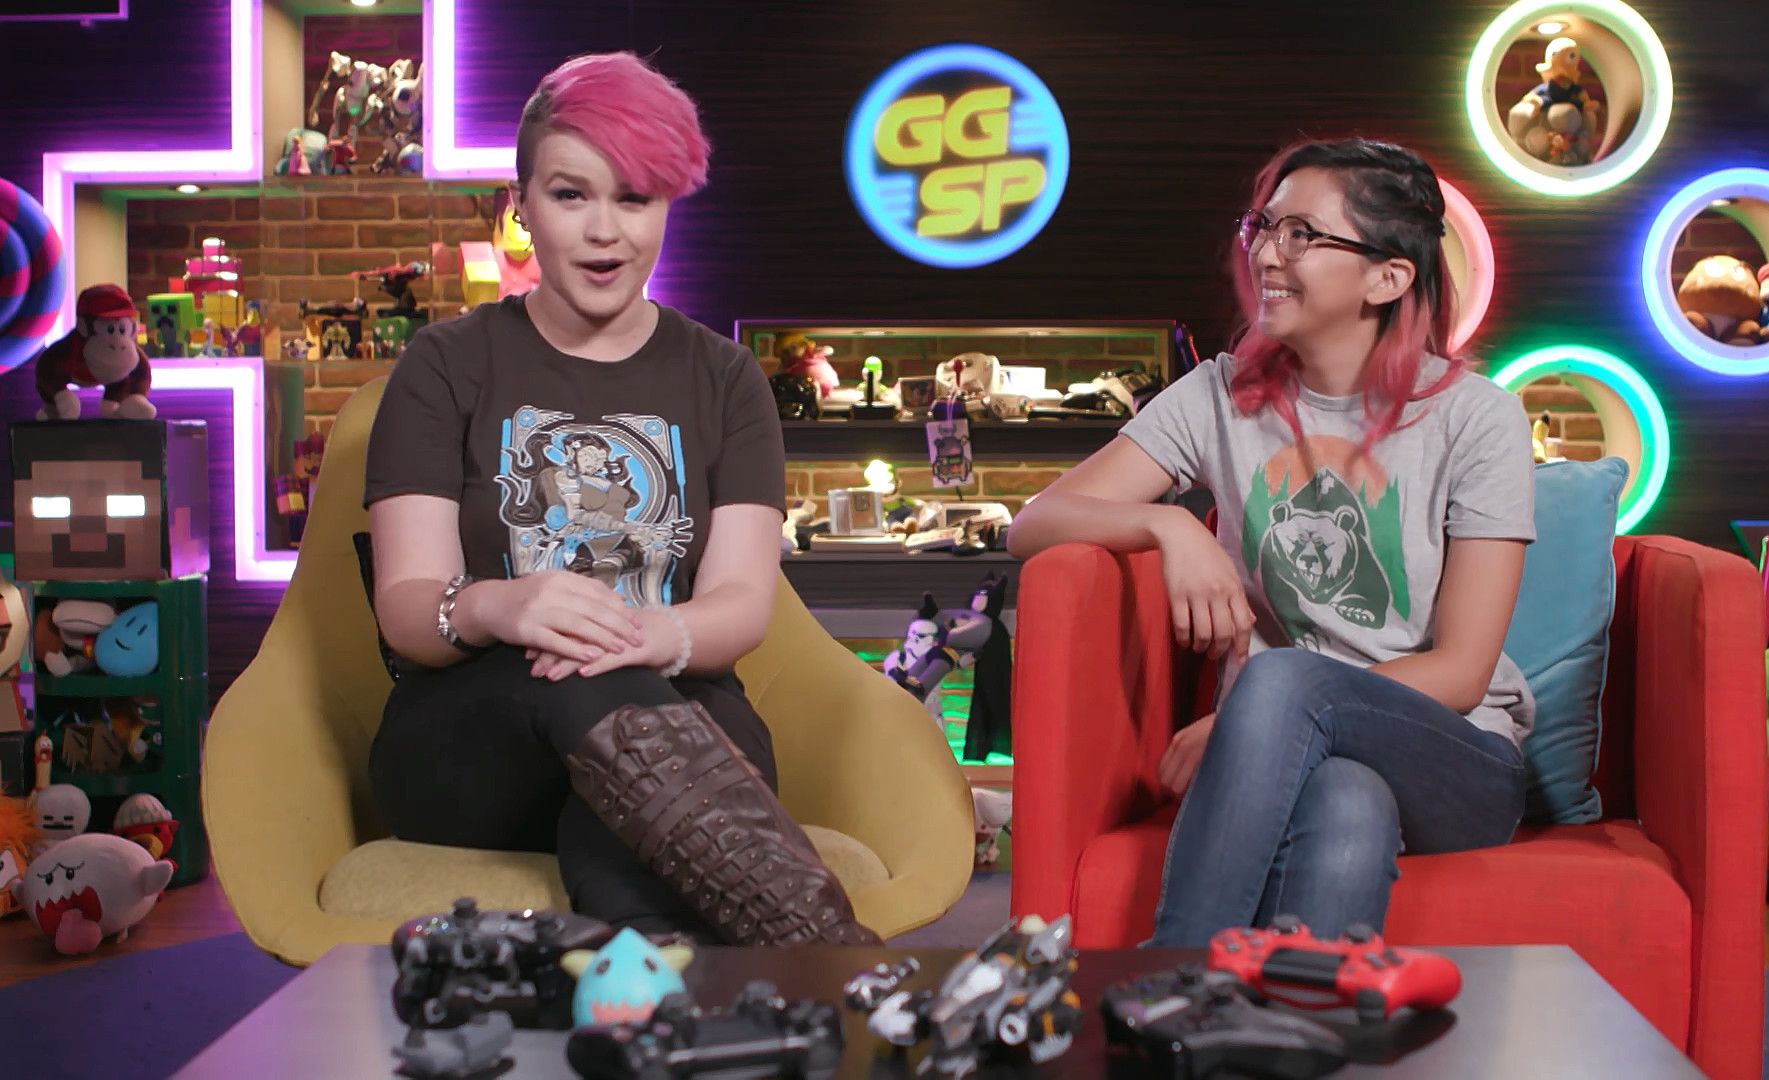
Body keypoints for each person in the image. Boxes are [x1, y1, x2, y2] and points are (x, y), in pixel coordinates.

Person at [360, 51, 878, 946]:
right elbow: (408, 608)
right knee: (591, 689)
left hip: (671, 726)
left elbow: (741, 601)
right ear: (521, 205)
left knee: (692, 731)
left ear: (666, 206)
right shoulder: (443, 366)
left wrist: (657, 636)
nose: (605, 231)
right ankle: (832, 958)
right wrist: (504, 606)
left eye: (634, 198)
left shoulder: (726, 379)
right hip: (471, 748)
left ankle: (643, 984)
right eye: (571, 195)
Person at [1006, 138, 1536, 947]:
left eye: (1302, 234)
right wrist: (1167, 523)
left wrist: (1258, 716)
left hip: (1459, 758)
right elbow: (1035, 522)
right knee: (1348, 802)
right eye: (1263, 226)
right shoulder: (1218, 396)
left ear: (1388, 278)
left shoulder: (1477, 417)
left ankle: (1169, 973)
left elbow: (1463, 673)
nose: (1265, 253)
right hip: (1304, 751)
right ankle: (1275, 1013)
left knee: (1283, 680)